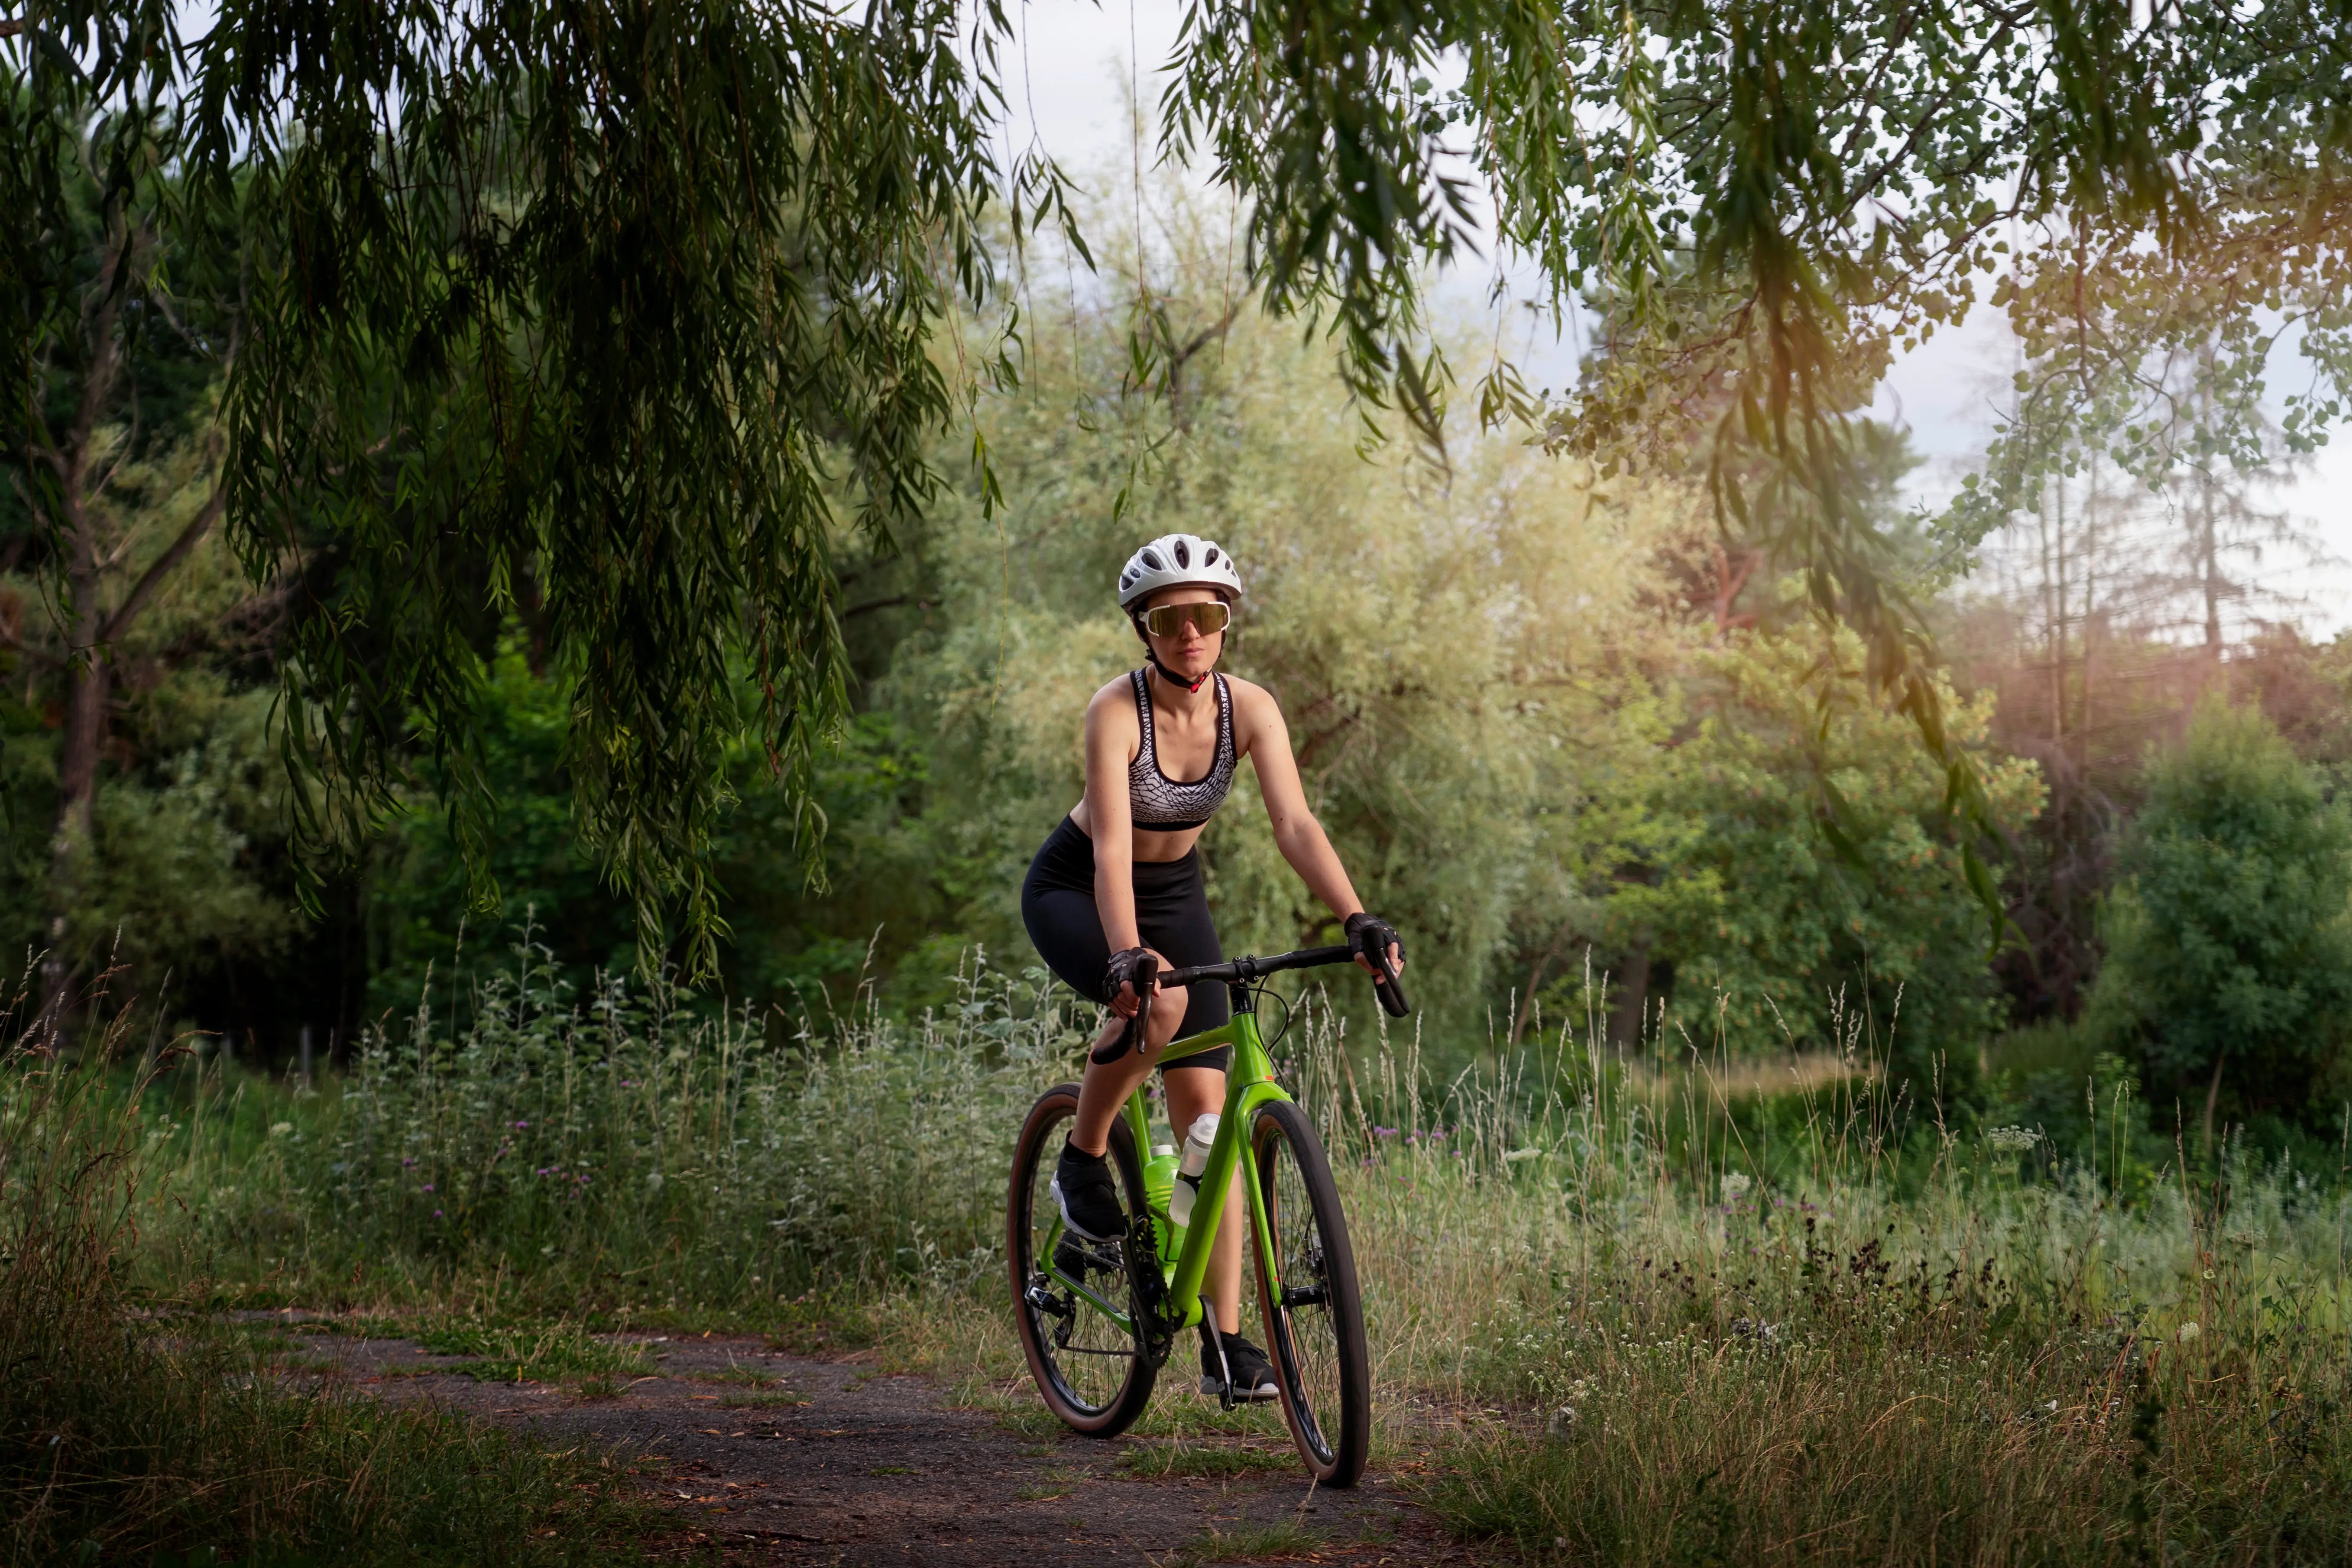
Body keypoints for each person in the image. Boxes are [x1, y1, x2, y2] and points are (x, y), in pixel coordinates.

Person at [1020, 532, 1405, 1402]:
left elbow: (1296, 826)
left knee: (1211, 1124)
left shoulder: (1252, 708)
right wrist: (1127, 955)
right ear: (1145, 630)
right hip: (1078, 889)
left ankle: (1225, 1346)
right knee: (1152, 1006)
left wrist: (1356, 916)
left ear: (1226, 622)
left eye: (1206, 614)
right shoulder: (1116, 710)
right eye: (1169, 619)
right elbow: (1112, 851)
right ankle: (1083, 1157)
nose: (1190, 632)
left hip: (1178, 891)